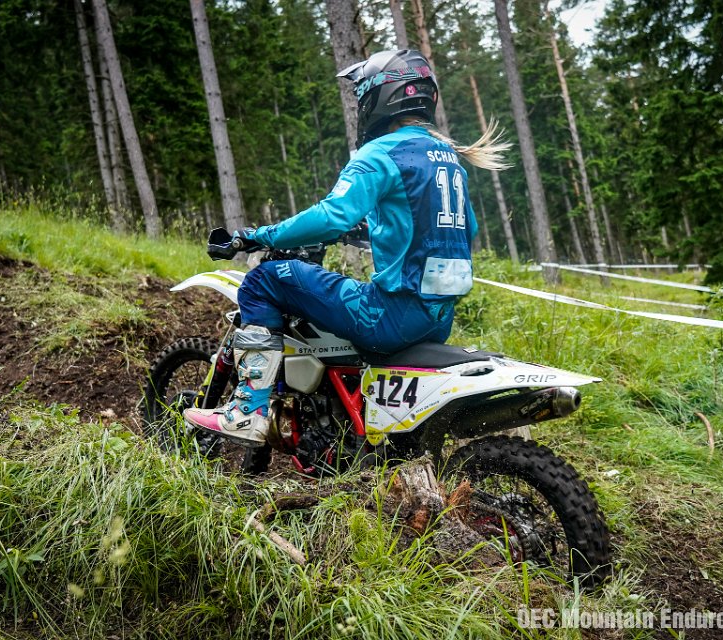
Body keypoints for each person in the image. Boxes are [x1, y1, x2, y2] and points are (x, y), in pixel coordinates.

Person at [184, 49, 510, 445]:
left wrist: (260, 235)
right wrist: (376, 230)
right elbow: (460, 227)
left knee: (262, 281)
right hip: (438, 319)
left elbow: (331, 216)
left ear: (378, 98)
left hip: (390, 316)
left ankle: (247, 410)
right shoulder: (448, 158)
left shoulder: (382, 152)